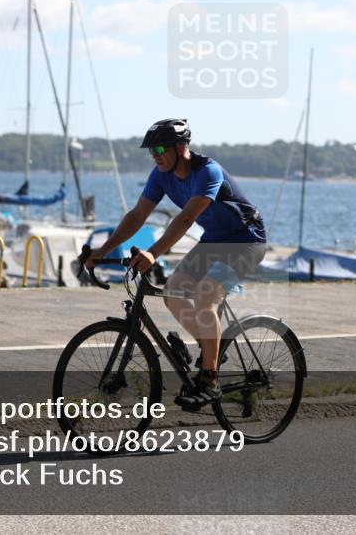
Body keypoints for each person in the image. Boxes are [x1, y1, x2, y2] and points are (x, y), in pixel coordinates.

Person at [84, 118, 267, 409]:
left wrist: (152, 253)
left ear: (181, 147)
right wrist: (102, 249)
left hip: (246, 241)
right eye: (151, 151)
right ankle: (211, 353)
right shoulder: (160, 175)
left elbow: (185, 219)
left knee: (205, 296)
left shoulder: (208, 171)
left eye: (159, 148)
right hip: (215, 240)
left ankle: (210, 379)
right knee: (172, 292)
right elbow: (138, 215)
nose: (155, 156)